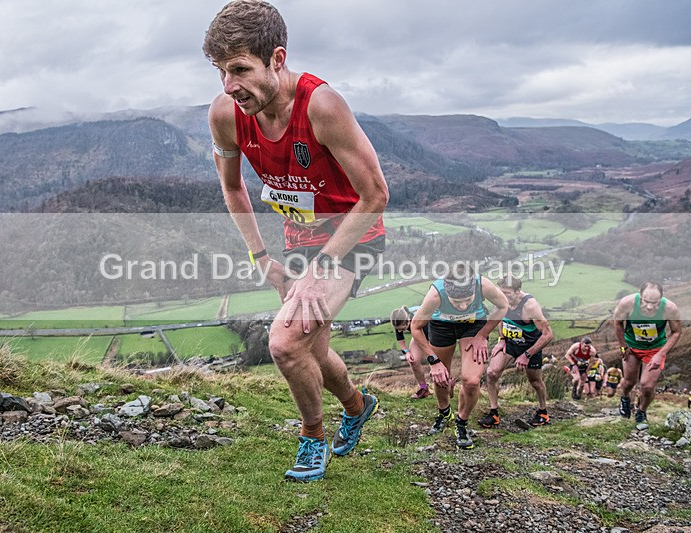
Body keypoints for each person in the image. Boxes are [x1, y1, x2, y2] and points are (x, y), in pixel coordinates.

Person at [204, 0, 389, 482]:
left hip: (352, 234)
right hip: (298, 236)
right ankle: (357, 404)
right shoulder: (226, 114)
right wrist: (261, 255)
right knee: (311, 341)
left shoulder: (321, 106)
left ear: (277, 59)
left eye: (240, 69)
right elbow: (231, 186)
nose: (229, 85)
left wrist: (320, 270)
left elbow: (375, 195)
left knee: (286, 343)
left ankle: (312, 436)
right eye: (221, 72)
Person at [410, 270, 509, 449]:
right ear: (447, 294)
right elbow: (415, 327)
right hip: (442, 326)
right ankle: (444, 412)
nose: (462, 306)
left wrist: (483, 335)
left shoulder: (483, 285)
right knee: (441, 378)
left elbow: (503, 306)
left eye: (468, 300)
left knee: (471, 381)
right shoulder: (435, 294)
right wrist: (433, 361)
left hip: (473, 326)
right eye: (457, 302)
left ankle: (461, 423)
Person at [481, 277, 554, 428]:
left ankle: (543, 412)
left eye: (507, 293)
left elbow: (548, 335)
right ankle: (494, 413)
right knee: (491, 373)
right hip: (511, 343)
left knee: (535, 381)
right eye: (501, 292)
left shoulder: (530, 306)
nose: (504, 296)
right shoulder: (500, 300)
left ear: (518, 292)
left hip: (530, 346)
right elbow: (499, 317)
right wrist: (502, 339)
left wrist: (527, 355)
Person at [614, 281, 682, 430]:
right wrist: (623, 346)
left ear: (662, 299)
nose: (650, 306)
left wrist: (661, 354)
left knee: (647, 386)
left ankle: (641, 411)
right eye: (646, 302)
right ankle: (625, 398)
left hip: (655, 349)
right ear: (640, 296)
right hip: (632, 346)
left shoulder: (670, 308)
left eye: (655, 303)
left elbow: (676, 332)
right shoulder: (627, 303)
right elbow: (618, 323)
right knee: (629, 382)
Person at [390, 306, 431, 399]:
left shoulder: (419, 319)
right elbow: (400, 339)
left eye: (402, 329)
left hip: (432, 333)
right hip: (418, 334)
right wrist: (407, 352)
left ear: (408, 321)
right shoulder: (399, 322)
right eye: (398, 329)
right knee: (413, 361)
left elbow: (428, 341)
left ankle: (447, 385)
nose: (399, 331)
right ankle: (424, 389)